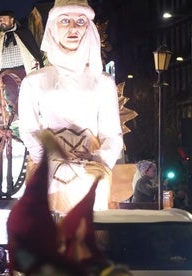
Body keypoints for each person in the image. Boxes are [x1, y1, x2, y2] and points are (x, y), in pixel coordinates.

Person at [18, 0, 124, 214]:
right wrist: (49, 164)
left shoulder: (102, 82)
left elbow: (112, 134)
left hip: (92, 174)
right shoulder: (33, 81)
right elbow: (28, 129)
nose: (73, 28)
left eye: (80, 21)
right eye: (65, 20)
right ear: (53, 27)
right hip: (46, 172)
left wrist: (98, 164)